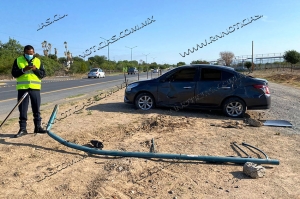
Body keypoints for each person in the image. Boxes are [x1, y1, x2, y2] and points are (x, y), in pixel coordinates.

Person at [11, 45, 47, 138]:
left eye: (31, 53)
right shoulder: (18, 60)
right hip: (23, 88)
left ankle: (38, 127)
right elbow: (14, 74)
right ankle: (23, 129)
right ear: (24, 52)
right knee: (22, 110)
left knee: (36, 108)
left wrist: (35, 69)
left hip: (35, 88)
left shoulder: (38, 61)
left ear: (33, 52)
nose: (29, 55)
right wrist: (24, 70)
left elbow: (42, 74)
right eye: (27, 53)